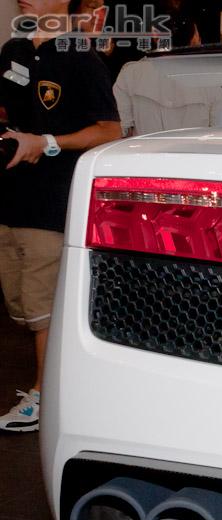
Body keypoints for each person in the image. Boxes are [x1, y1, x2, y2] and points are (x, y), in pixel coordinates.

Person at [0, 0, 122, 433]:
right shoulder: (13, 49)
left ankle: (45, 398)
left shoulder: (80, 55)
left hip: (53, 201)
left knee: (44, 308)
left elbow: (110, 130)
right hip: (11, 197)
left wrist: (47, 142)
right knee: (22, 304)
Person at [113, 6, 222, 136]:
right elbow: (220, 133)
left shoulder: (130, 74)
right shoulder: (210, 83)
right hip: (194, 149)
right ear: (194, 40)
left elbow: (121, 130)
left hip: (144, 149)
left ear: (156, 37)